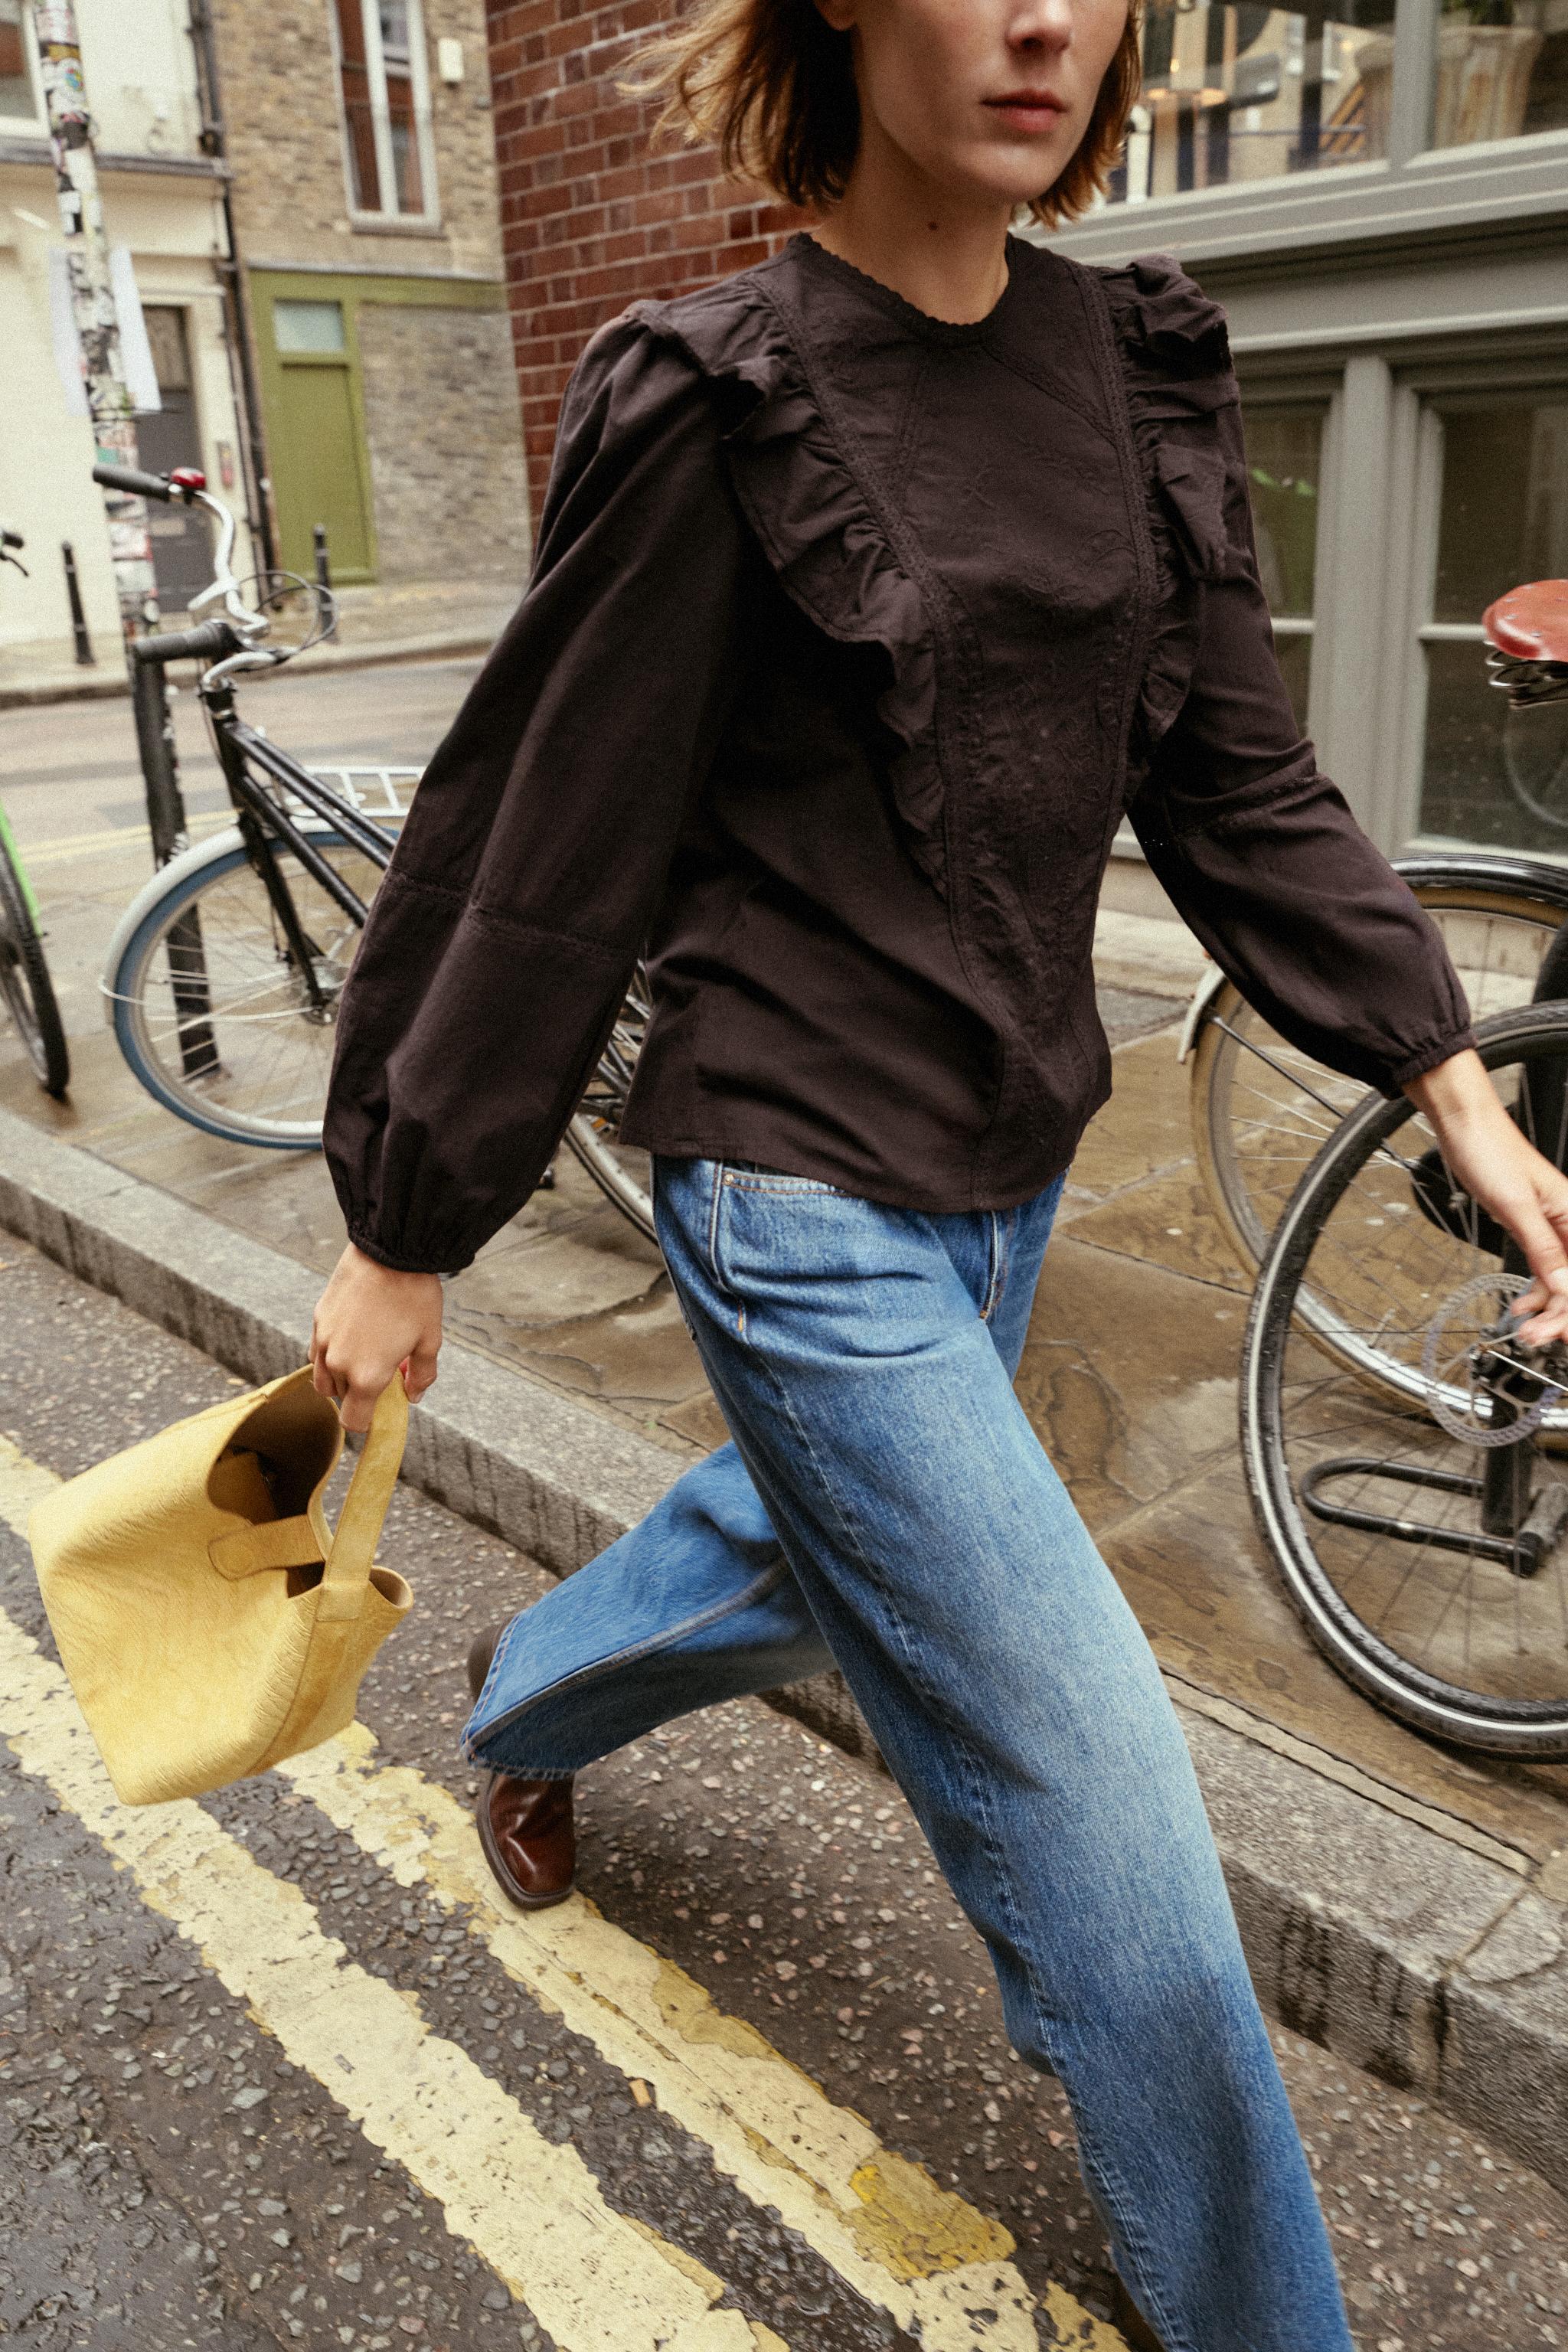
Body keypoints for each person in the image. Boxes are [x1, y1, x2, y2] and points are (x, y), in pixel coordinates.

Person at [309, 0, 1568, 2342]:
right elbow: (546, 838)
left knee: (790, 1558)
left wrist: (1450, 1077)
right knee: (1122, 1859)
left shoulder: (1133, 369)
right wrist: (407, 1217)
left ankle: (517, 1703)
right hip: (792, 1189)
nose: (1043, 22)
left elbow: (1240, 786)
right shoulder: (726, 391)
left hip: (1002, 1163)